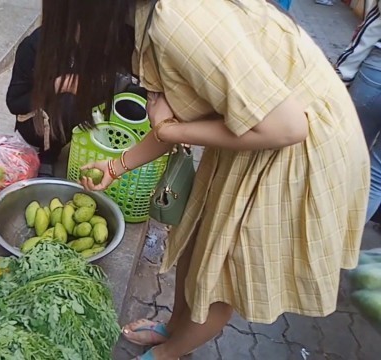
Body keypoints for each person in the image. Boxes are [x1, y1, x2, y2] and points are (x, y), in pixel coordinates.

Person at [34, 1, 369, 359]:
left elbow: (287, 127)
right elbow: (177, 119)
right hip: (256, 136)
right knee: (196, 246)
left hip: (296, 154)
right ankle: (174, 330)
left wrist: (169, 127)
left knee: (219, 273)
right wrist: (117, 166)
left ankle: (168, 354)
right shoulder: (147, 22)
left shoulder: (175, 20)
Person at [7, 26, 143, 176]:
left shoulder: (99, 42)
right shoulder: (34, 46)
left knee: (132, 103)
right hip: (39, 122)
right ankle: (48, 156)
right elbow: (14, 102)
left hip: (85, 113)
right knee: (69, 101)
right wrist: (58, 85)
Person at [336, 0, 381, 223]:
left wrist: (342, 74)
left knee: (346, 153)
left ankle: (322, 229)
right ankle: (343, 247)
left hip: (376, 74)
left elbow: (370, 28)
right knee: (377, 178)